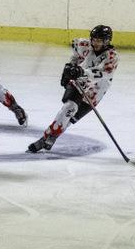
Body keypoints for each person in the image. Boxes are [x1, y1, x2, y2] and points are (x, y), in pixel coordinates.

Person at [27, 25, 119, 153]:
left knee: (70, 119)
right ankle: (45, 138)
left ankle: (52, 137)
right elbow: (76, 55)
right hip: (79, 83)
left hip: (95, 91)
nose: (95, 43)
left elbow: (102, 73)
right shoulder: (84, 45)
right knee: (69, 108)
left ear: (107, 41)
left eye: (99, 41)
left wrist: (81, 71)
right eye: (94, 40)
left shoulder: (112, 57)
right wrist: (70, 67)